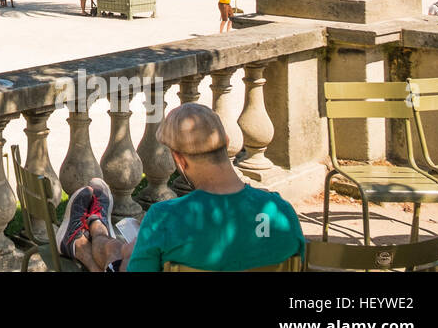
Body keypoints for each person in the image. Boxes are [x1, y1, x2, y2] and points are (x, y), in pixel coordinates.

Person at [127, 104, 306, 271]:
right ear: (227, 142)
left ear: (179, 160)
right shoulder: (281, 211)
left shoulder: (163, 218)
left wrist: (126, 257)